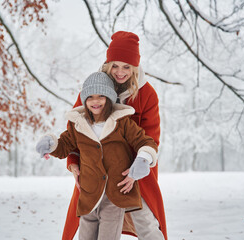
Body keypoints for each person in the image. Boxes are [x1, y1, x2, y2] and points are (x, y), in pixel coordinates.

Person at [64, 31, 168, 239]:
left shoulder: (147, 95)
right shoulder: (93, 90)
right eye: (115, 65)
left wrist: (137, 168)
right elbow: (76, 128)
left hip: (131, 174)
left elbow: (150, 139)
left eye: (126, 67)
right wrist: (74, 162)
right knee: (88, 224)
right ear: (107, 64)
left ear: (135, 68)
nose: (120, 72)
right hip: (97, 168)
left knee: (146, 222)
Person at [36, 72, 158, 240]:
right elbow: (64, 145)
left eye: (101, 96)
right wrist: (51, 143)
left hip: (114, 197)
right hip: (89, 196)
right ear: (85, 100)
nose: (95, 101)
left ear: (109, 98)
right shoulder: (78, 124)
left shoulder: (121, 122)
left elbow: (144, 141)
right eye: (90, 97)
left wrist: (144, 157)